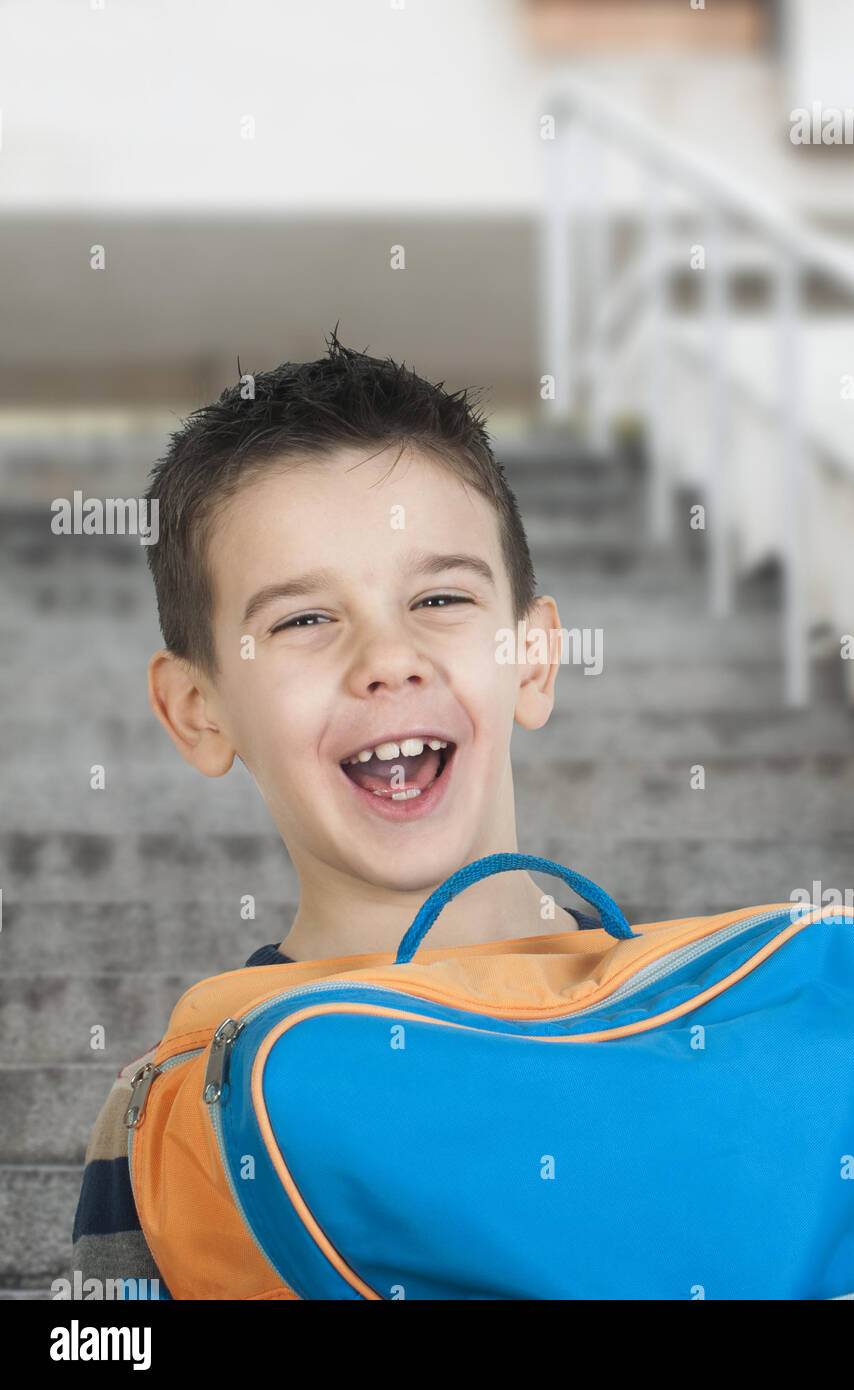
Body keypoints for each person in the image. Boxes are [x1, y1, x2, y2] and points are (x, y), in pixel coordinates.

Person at [67, 330, 601, 1298]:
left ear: (532, 658)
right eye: (303, 619)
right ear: (199, 711)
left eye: (439, 596)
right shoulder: (173, 1107)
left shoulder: (705, 1018)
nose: (386, 656)